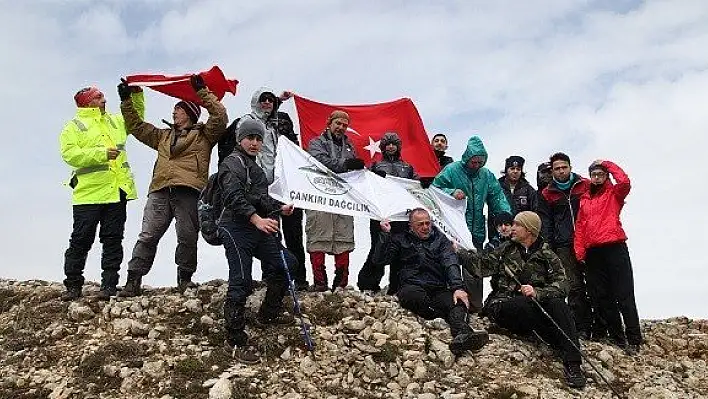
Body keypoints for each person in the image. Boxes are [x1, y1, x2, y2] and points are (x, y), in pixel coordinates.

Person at [118, 75, 228, 297]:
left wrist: (202, 91)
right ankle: (133, 280)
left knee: (187, 236)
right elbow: (136, 126)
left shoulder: (205, 135)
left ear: (189, 112)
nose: (174, 112)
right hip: (160, 190)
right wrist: (126, 101)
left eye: (178, 108)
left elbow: (220, 116)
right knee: (148, 235)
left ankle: (184, 279)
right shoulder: (162, 136)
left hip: (189, 191)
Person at [456, 211, 586, 389]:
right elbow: (481, 266)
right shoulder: (505, 249)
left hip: (533, 304)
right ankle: (555, 339)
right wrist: (459, 252)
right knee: (527, 305)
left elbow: (563, 284)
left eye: (517, 225)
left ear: (530, 230)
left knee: (557, 304)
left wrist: (538, 292)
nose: (512, 228)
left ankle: (573, 363)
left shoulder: (548, 255)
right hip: (502, 305)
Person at [217, 119, 295, 363]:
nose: (254, 143)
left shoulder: (256, 168)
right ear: (240, 139)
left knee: (288, 264)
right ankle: (235, 339)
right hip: (234, 227)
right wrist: (257, 219)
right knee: (241, 280)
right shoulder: (231, 163)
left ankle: (267, 314)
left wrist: (279, 209)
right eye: (250, 138)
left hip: (255, 228)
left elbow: (261, 198)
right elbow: (232, 197)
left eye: (259, 139)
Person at [59, 84, 143, 301]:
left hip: (117, 191)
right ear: (87, 102)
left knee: (113, 240)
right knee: (81, 240)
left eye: (103, 96)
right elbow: (70, 155)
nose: (104, 100)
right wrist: (102, 153)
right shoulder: (74, 126)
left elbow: (136, 120)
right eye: (99, 97)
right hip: (88, 194)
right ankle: (73, 285)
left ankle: (109, 286)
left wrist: (136, 95)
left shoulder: (115, 120)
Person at [373, 208, 489, 356]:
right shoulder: (400, 239)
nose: (425, 227)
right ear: (411, 225)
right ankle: (440, 317)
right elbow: (380, 260)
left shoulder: (441, 240)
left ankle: (463, 334)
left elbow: (450, 262)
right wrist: (385, 234)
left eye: (428, 223)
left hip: (437, 288)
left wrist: (457, 287)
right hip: (412, 286)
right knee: (412, 296)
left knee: (459, 302)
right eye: (420, 224)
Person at [432, 136, 511, 312]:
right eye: (474, 161)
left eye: (480, 162)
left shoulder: (486, 175)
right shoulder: (452, 170)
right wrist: (451, 191)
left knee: (474, 269)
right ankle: (451, 305)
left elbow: (497, 197)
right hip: (453, 230)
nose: (476, 165)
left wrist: (505, 215)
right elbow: (434, 189)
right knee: (449, 264)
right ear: (467, 157)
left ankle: (475, 307)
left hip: (476, 232)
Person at [575, 160, 642, 355]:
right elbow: (580, 227)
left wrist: (606, 163)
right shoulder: (584, 199)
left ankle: (634, 338)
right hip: (593, 252)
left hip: (615, 247)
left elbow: (624, 181)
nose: (597, 177)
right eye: (594, 174)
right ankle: (617, 338)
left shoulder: (614, 193)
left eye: (600, 174)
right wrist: (580, 252)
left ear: (606, 176)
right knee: (602, 296)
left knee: (624, 294)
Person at [537, 152, 597, 340]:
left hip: (590, 242)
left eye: (564, 167)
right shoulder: (547, 194)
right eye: (557, 169)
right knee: (574, 287)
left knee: (597, 285)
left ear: (570, 167)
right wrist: (548, 246)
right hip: (564, 245)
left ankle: (602, 326)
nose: (561, 171)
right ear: (552, 171)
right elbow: (545, 223)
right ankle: (581, 327)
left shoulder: (585, 185)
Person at [305, 110, 365, 291]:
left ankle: (341, 284)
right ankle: (320, 284)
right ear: (329, 123)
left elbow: (355, 172)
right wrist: (345, 165)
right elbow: (320, 161)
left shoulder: (350, 147)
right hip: (319, 197)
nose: (341, 128)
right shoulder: (316, 143)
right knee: (317, 237)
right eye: (338, 123)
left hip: (342, 199)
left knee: (344, 238)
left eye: (345, 125)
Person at [357, 132, 419, 294]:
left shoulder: (407, 167)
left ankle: (396, 286)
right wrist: (373, 176)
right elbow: (365, 184)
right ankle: (368, 284)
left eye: (394, 144)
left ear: (398, 147)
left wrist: (424, 183)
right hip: (381, 214)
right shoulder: (376, 165)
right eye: (387, 144)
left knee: (400, 250)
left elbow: (416, 187)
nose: (391, 147)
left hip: (401, 216)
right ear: (383, 147)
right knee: (378, 247)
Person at [488, 156, 538, 240]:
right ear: (506, 170)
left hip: (521, 236)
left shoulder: (529, 190)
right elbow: (491, 215)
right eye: (512, 168)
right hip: (501, 235)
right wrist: (492, 238)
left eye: (518, 169)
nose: (515, 171)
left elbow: (534, 214)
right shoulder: (496, 188)